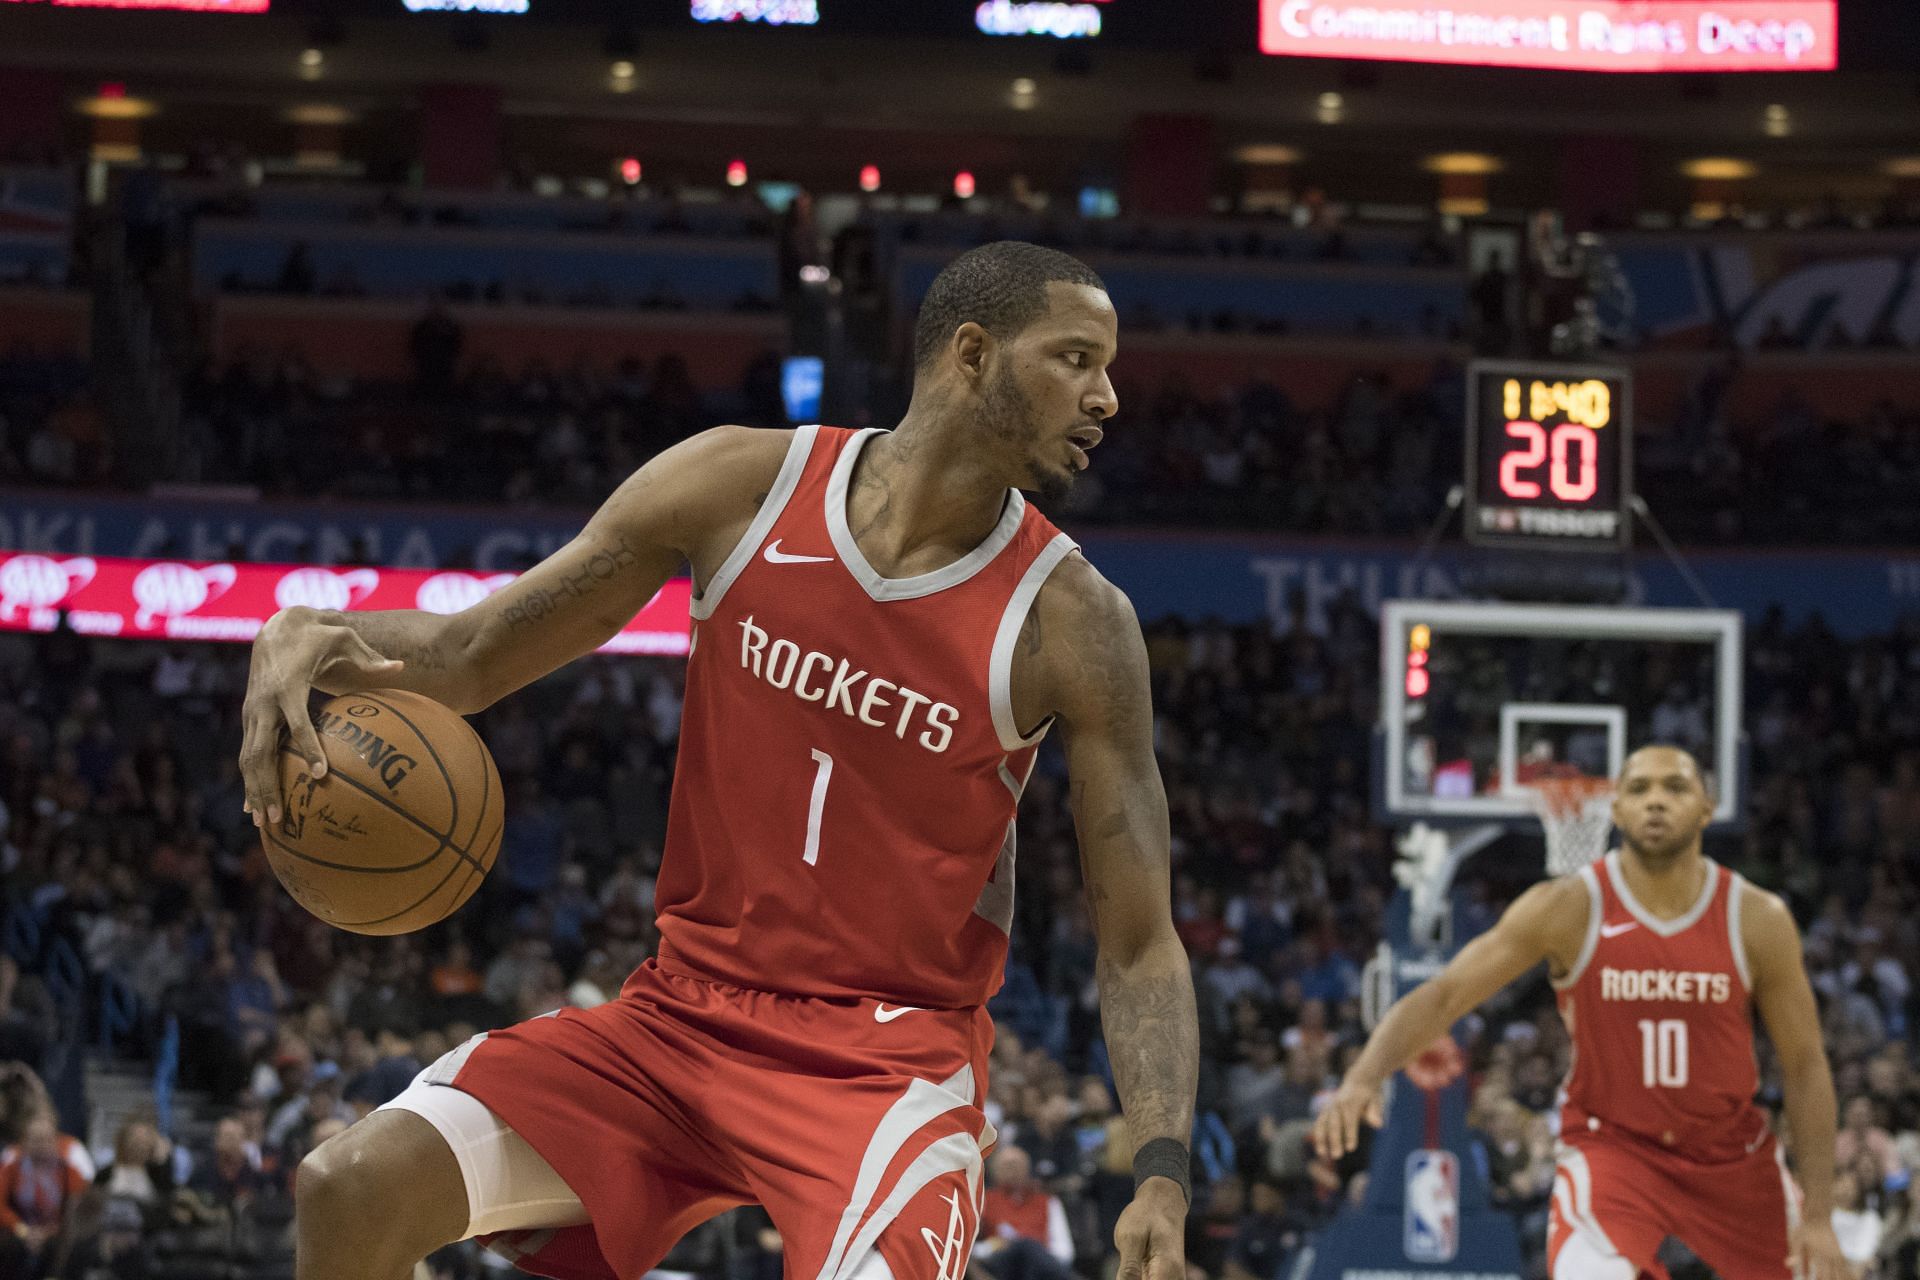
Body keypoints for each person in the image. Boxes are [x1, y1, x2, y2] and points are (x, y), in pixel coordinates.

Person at [239, 241, 1198, 1280]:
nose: (1105, 396)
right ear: (972, 353)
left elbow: (1140, 942)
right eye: (1074, 358)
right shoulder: (742, 484)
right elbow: (472, 656)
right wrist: (317, 631)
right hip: (678, 1014)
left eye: (1106, 367)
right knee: (347, 1187)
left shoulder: (1076, 621)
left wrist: (1160, 1172)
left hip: (887, 1059)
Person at [1313, 745, 1848, 1280]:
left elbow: (1804, 1065)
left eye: (1675, 788)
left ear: (1708, 808)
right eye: (1639, 789)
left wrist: (1820, 1217)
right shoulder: (1569, 907)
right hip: (1613, 1150)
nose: (1655, 802)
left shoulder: (1756, 919)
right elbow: (1444, 995)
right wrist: (1364, 1077)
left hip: (1731, 1156)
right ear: (1614, 810)